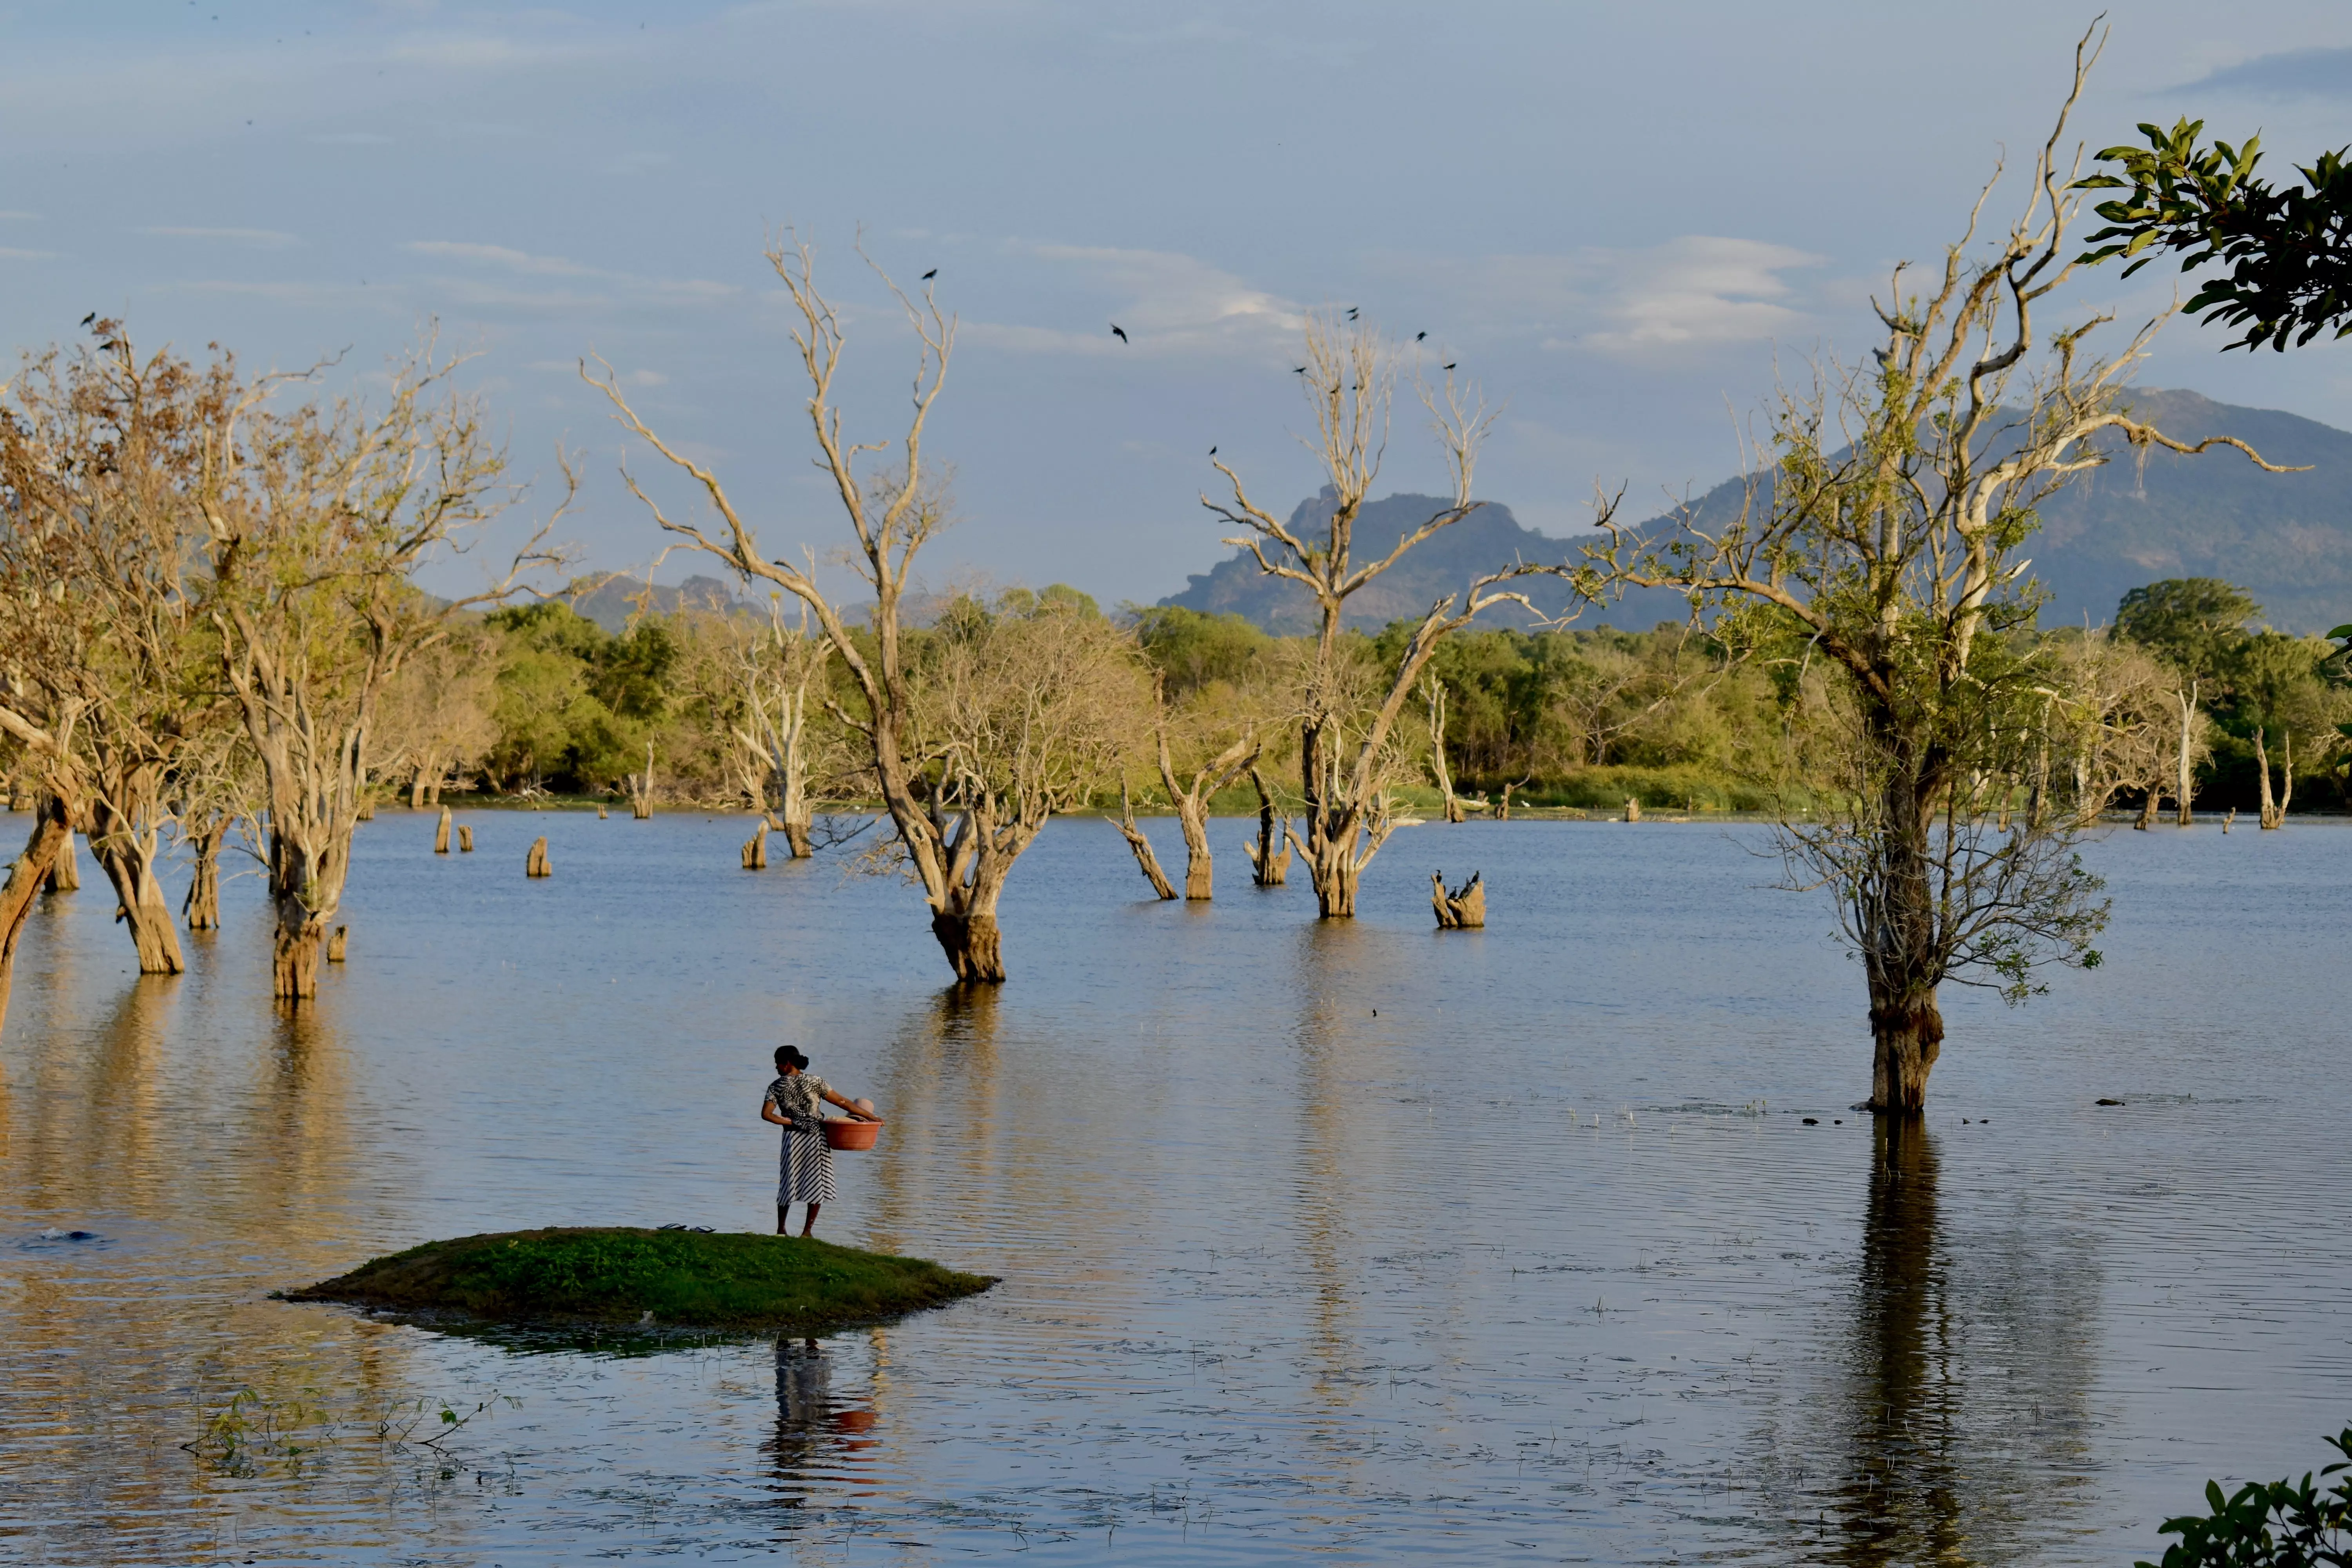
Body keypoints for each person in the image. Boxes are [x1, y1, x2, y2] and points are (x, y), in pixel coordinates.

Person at [760, 1046, 882, 1238]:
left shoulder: (776, 1086)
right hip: (817, 1137)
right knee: (817, 1182)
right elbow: (843, 1103)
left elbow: (767, 1115)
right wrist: (872, 1117)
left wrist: (790, 1122)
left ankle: (781, 1230)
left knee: (788, 1182)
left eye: (778, 1063)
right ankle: (807, 1232)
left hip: (792, 1139)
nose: (776, 1067)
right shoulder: (816, 1081)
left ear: (787, 1064)